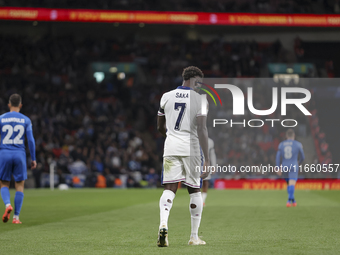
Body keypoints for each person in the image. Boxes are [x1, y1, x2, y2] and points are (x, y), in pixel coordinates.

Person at [157, 66, 210, 247]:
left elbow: (159, 127)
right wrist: (208, 159)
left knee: (169, 188)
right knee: (195, 190)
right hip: (192, 148)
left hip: (171, 146)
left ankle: (163, 224)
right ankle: (194, 237)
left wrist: (171, 137)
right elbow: (202, 129)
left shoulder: (166, 96)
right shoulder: (200, 99)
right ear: (194, 79)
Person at [0, 94, 37, 224]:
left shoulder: (1, 118)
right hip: (19, 154)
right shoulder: (26, 120)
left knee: (4, 183)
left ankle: (7, 205)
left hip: (4, 153)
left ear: (9, 105)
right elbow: (31, 140)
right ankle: (16, 217)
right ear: (20, 105)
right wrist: (33, 158)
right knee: (19, 186)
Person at [276, 129, 305, 207]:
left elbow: (278, 157)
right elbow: (303, 157)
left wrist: (278, 167)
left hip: (284, 166)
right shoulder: (298, 144)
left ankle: (293, 200)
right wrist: (299, 162)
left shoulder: (281, 144)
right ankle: (289, 200)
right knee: (292, 184)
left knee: (289, 184)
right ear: (294, 136)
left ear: (286, 136)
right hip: (293, 166)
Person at [202, 137, 216, 206]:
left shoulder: (210, 141)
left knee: (205, 182)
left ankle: (202, 200)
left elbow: (212, 154)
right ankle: (197, 200)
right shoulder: (193, 139)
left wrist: (214, 166)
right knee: (196, 183)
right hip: (195, 163)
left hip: (206, 164)